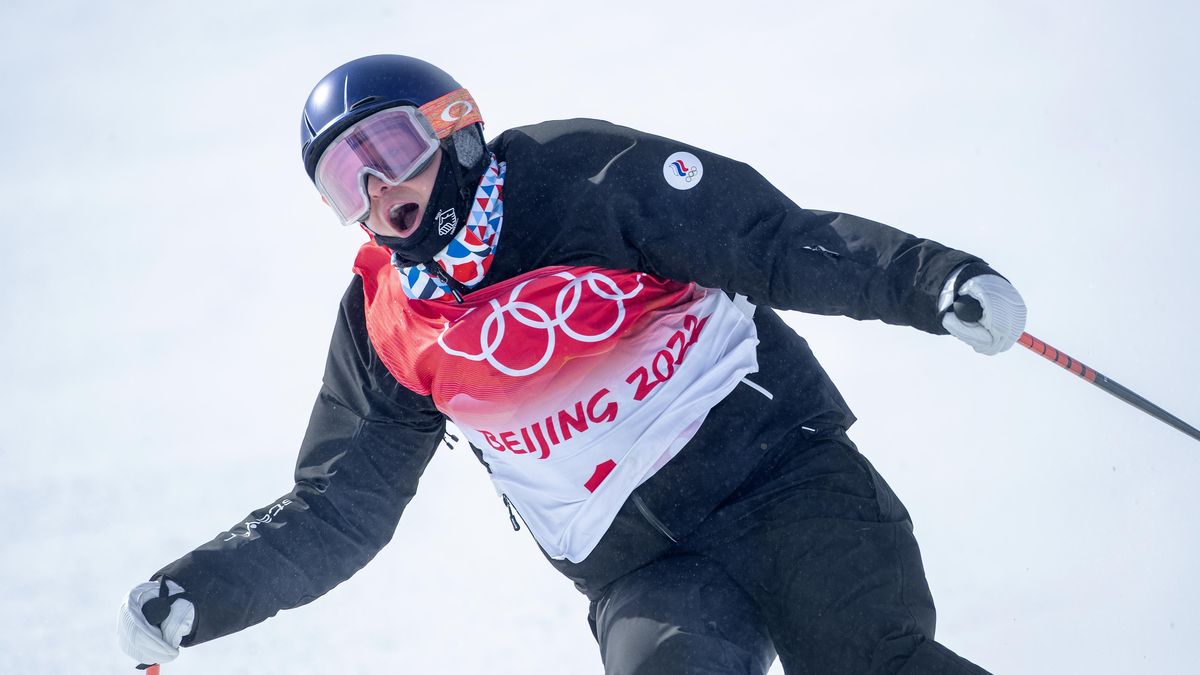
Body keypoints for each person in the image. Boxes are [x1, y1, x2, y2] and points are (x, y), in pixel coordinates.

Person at [118, 54, 1024, 674]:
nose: (379, 190)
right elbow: (337, 509)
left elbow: (773, 241)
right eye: (344, 178)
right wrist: (202, 589)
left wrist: (934, 281)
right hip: (645, 574)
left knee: (870, 662)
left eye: (389, 149)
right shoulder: (387, 324)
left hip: (783, 482)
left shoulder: (582, 177)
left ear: (455, 127)